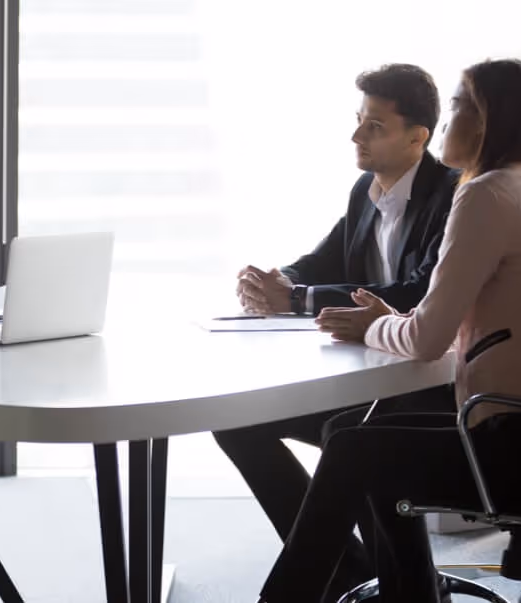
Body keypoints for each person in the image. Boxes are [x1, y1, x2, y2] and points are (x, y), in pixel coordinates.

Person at [258, 58, 521, 603]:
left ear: (489, 120)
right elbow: (448, 324)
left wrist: (375, 325)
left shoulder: (485, 196)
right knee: (357, 439)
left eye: (458, 106)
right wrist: (386, 322)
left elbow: (428, 338)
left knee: (357, 451)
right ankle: (412, 594)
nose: (447, 120)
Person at [215, 63, 459, 587]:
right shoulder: (365, 191)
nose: (357, 136)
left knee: (350, 435)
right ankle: (348, 569)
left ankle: (398, 582)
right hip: (367, 376)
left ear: (418, 137)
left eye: (375, 126)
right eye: (358, 121)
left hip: (430, 390)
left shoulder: (452, 197)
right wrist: (278, 281)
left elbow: (420, 291)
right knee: (238, 421)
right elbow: (324, 261)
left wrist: (298, 299)